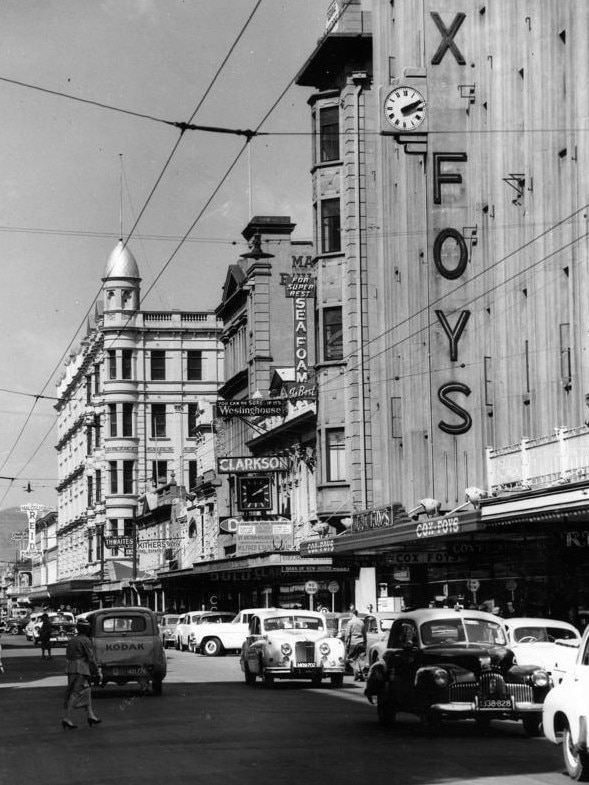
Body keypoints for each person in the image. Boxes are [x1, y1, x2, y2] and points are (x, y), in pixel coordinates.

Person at [62, 618, 102, 730]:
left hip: (71, 668)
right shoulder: (85, 641)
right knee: (75, 693)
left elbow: (68, 656)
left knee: (87, 690)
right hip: (81, 669)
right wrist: (97, 671)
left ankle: (90, 715)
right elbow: (91, 658)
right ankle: (67, 718)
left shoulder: (72, 640)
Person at [344, 609, 367, 682]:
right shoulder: (361, 622)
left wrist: (346, 644)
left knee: (350, 659)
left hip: (353, 643)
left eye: (350, 614)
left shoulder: (350, 622)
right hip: (361, 643)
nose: (349, 615)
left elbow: (347, 634)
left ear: (352, 614)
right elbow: (364, 634)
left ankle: (357, 670)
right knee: (360, 659)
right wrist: (365, 644)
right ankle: (359, 673)